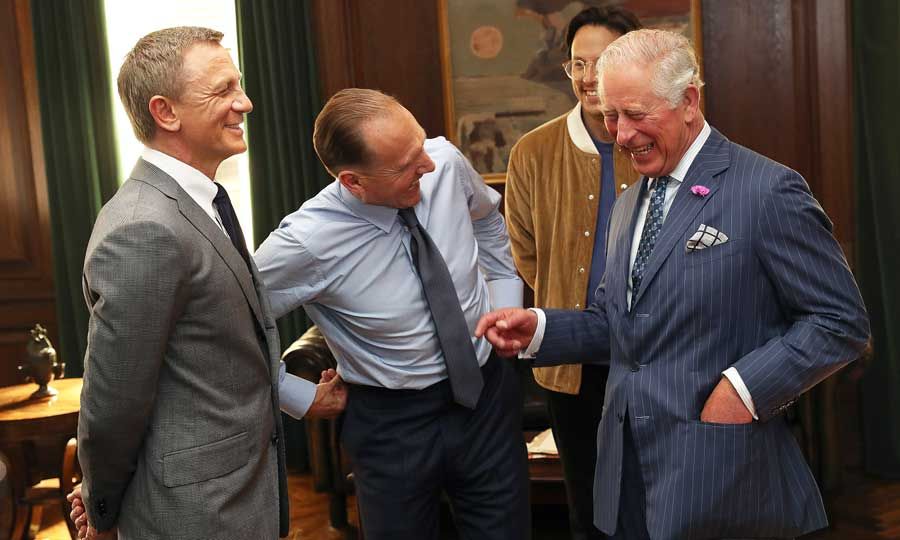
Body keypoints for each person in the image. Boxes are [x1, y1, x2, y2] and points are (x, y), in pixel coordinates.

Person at [477, 29, 870, 540]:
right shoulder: (628, 206)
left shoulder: (767, 190)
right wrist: (538, 329)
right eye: (609, 116)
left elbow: (839, 322)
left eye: (635, 115)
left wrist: (741, 390)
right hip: (628, 478)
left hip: (723, 474)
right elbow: (618, 325)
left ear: (688, 101)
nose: (620, 135)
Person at [72, 27, 346, 540]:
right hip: (196, 515)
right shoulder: (142, 228)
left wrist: (304, 399)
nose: (245, 102)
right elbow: (115, 400)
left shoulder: (201, 201)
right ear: (165, 112)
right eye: (222, 90)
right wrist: (100, 503)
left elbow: (223, 357)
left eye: (237, 85)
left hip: (237, 498)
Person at [253, 88, 530, 539]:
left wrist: (504, 304)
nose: (427, 165)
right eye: (405, 165)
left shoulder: (444, 162)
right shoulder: (304, 243)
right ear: (353, 182)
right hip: (393, 427)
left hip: (487, 400)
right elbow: (226, 326)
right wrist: (295, 396)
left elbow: (486, 219)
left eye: (420, 145)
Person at [504, 6, 640, 539]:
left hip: (657, 354)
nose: (587, 78)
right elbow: (527, 252)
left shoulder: (662, 144)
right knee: (590, 508)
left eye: (602, 62)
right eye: (577, 63)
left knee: (664, 499)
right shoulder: (533, 152)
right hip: (572, 364)